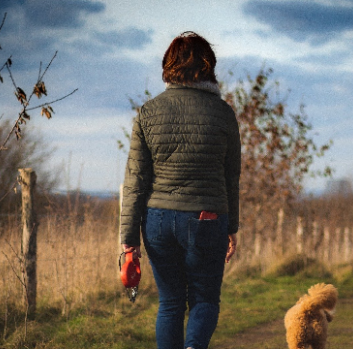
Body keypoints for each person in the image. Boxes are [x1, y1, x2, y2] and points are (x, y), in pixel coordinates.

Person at [119, 31, 240, 349]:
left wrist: (129, 240)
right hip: (208, 219)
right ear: (208, 67)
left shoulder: (148, 112)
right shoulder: (224, 114)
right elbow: (231, 177)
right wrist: (233, 226)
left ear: (169, 66)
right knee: (204, 301)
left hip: (158, 222)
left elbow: (135, 181)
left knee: (170, 303)